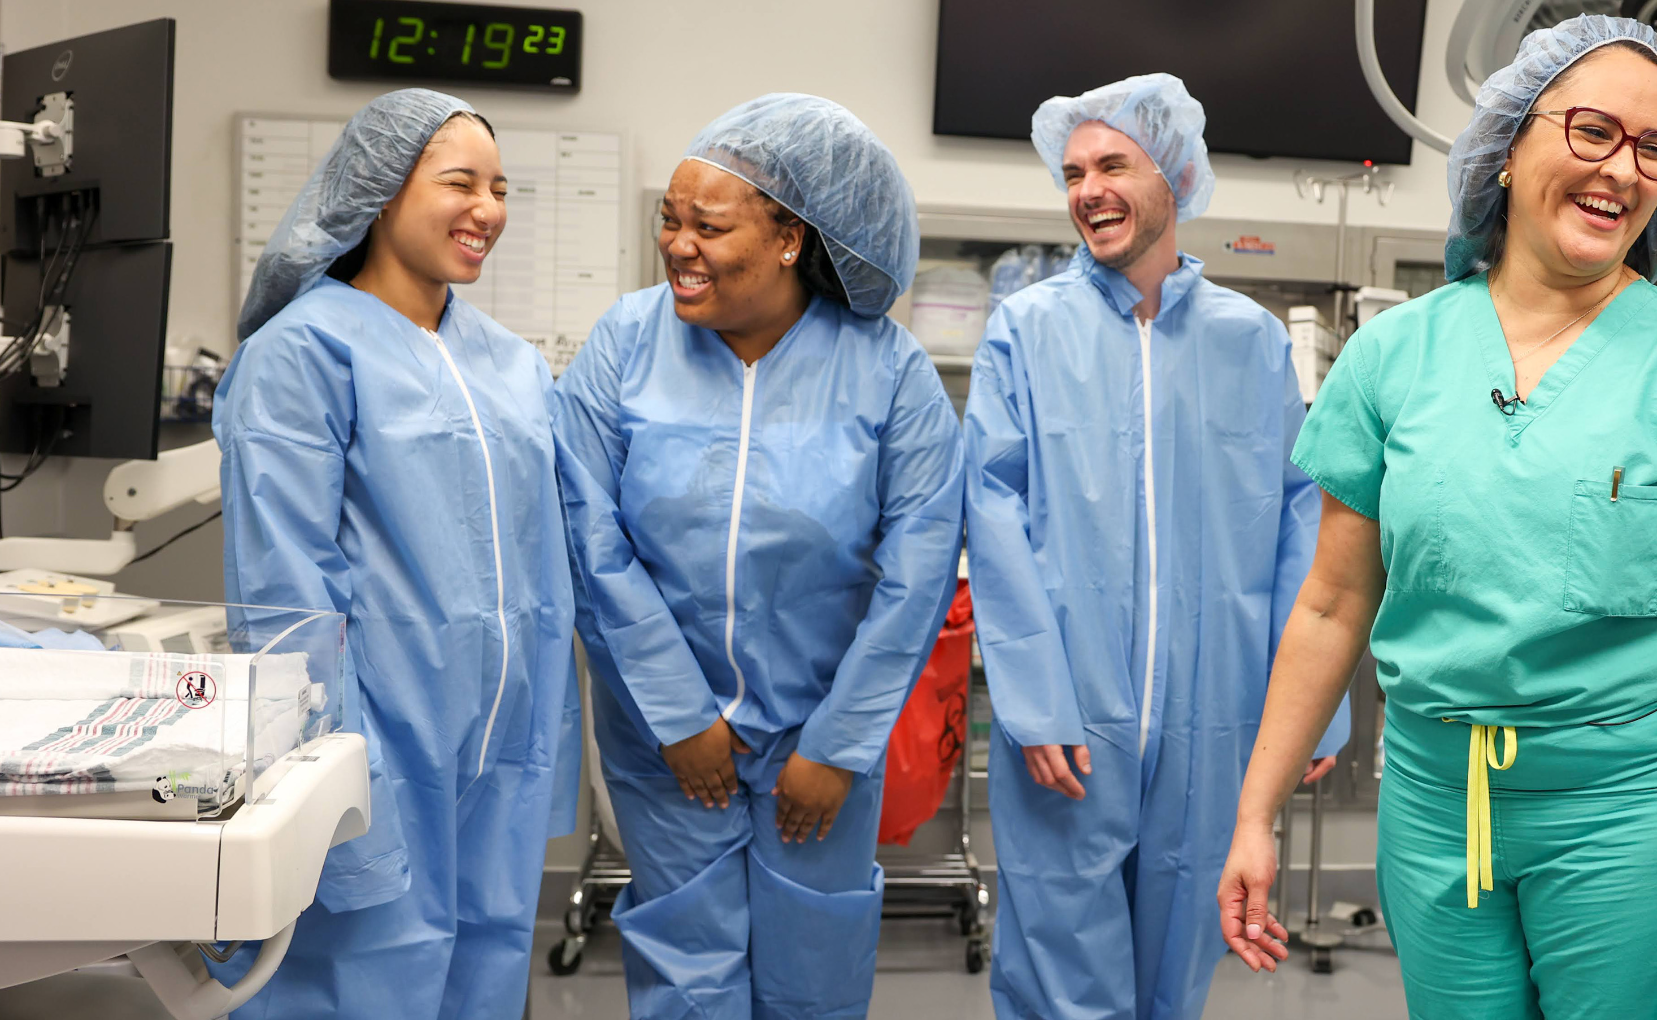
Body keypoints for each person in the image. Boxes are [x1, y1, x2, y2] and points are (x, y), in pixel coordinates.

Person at [1219, 16, 1657, 1018]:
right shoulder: (1392, 357)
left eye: (1654, 148)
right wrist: (1255, 812)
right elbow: (1331, 604)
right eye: (1593, 130)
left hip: (1639, 811)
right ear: (1505, 150)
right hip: (1433, 806)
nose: (1623, 169)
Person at [551, 93, 965, 1020]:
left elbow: (920, 568)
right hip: (665, 745)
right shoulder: (624, 345)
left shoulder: (888, 371)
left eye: (709, 225)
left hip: (818, 743)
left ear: (789, 239)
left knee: (812, 970)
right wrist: (676, 713)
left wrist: (841, 742)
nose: (677, 245)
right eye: (669, 218)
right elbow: (587, 534)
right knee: (686, 974)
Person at [964, 73, 1351, 1020]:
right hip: (1068, 721)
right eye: (1072, 172)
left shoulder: (1250, 342)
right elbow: (992, 513)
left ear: (1173, 175)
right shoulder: (1026, 330)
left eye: (1112, 165)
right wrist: (1033, 699)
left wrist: (1313, 712)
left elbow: (1301, 524)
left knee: (1177, 968)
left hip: (1212, 719)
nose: (1088, 189)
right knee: (1061, 969)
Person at [211, 89, 579, 1019]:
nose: (487, 210)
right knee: (363, 977)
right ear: (377, 191)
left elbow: (544, 569)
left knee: (485, 966)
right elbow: (284, 591)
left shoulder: (514, 364)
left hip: (502, 749)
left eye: (500, 188)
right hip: (372, 745)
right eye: (460, 181)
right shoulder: (302, 353)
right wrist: (337, 769)